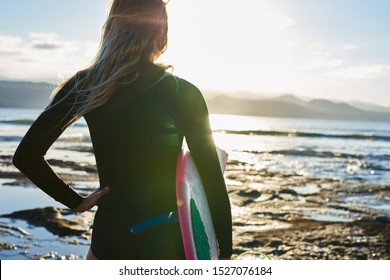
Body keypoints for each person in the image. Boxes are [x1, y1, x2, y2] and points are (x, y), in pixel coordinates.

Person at [12, 0, 232, 260]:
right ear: (161, 30)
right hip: (165, 240)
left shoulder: (88, 84)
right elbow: (212, 185)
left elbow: (26, 156)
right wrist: (223, 255)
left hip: (110, 237)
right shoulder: (183, 92)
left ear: (112, 26)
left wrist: (76, 201)